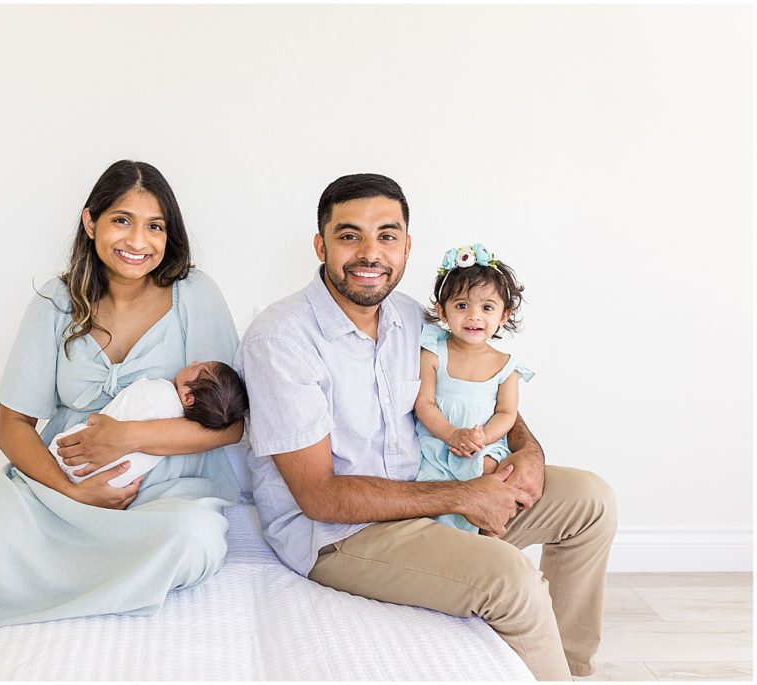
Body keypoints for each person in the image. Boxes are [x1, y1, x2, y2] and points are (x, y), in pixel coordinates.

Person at [234, 173, 616, 680]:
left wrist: (528, 451)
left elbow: (478, 387)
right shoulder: (280, 340)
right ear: (320, 244)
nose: (371, 253)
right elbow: (319, 497)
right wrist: (463, 498)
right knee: (511, 580)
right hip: (341, 535)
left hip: (434, 489)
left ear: (407, 246)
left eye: (387, 236)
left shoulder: (414, 319)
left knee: (589, 500)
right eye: (350, 235)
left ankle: (563, 667)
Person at [0, 160, 243, 680]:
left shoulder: (194, 295)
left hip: (164, 487)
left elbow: (230, 423)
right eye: (122, 220)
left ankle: (42, 604)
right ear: (90, 222)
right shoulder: (56, 300)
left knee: (193, 540)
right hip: (59, 482)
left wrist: (126, 436)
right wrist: (72, 493)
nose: (138, 240)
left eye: (155, 226)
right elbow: (11, 425)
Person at [413, 244, 534, 532]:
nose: (474, 316)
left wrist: (482, 438)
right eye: (462, 305)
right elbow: (424, 404)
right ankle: (442, 538)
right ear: (442, 311)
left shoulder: (506, 367)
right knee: (426, 487)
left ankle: (488, 530)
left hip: (483, 444)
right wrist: (453, 435)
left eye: (487, 307)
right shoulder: (433, 352)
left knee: (493, 469)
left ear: (504, 315)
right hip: (438, 443)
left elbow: (506, 413)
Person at [52, 361, 248, 487]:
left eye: (198, 369)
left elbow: (136, 393)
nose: (194, 362)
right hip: (111, 484)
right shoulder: (180, 430)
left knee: (62, 446)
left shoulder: (159, 392)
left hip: (66, 458)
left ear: (189, 398)